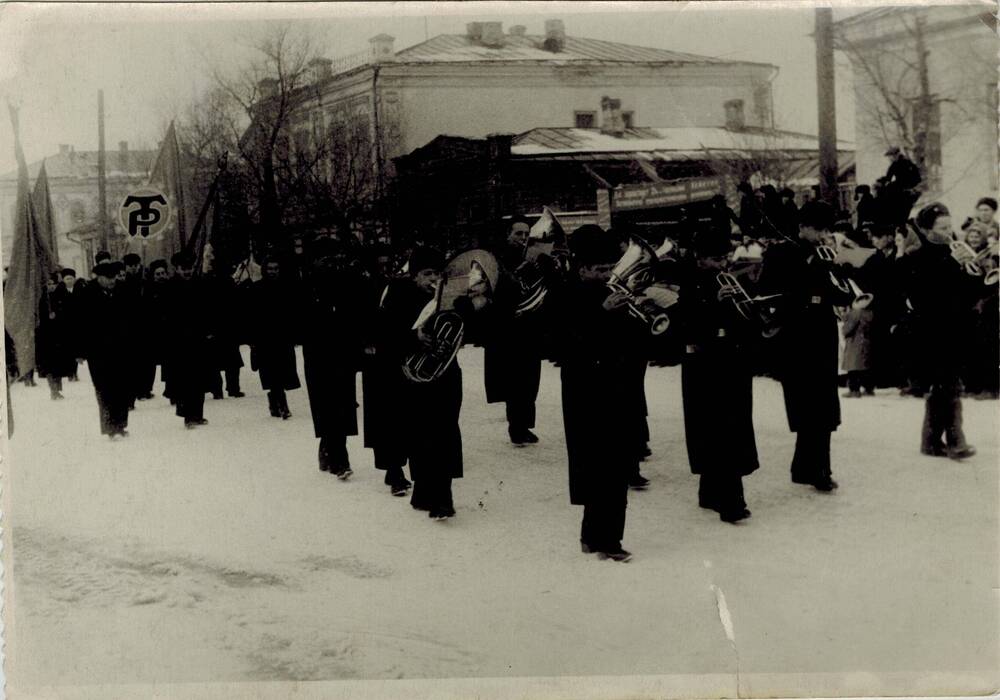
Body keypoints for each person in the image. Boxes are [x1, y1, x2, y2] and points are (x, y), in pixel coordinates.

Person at [554, 225, 641, 561]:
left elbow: (631, 341)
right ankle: (597, 536)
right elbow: (563, 343)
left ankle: (605, 538)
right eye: (600, 269)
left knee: (616, 464)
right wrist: (601, 313)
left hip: (616, 388)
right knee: (595, 464)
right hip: (584, 391)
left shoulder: (614, 292)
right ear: (583, 269)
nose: (607, 275)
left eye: (609, 268)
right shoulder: (565, 294)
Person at [757, 200, 853, 492]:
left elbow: (841, 295)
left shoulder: (827, 254)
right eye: (817, 229)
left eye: (826, 229)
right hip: (796, 336)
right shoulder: (781, 252)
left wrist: (841, 271)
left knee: (823, 405)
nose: (823, 235)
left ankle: (812, 468)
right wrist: (812, 267)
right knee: (807, 406)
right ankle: (812, 468)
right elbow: (769, 292)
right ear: (801, 227)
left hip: (822, 333)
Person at [679, 229, 759, 523]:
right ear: (699, 259)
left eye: (724, 258)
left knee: (728, 429)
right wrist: (714, 302)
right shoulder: (688, 283)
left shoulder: (728, 280)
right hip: (705, 366)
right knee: (718, 431)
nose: (722, 265)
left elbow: (743, 319)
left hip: (731, 362)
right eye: (715, 259)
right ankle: (730, 501)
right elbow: (686, 324)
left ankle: (710, 492)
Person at [384, 246, 465, 520]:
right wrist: (413, 337)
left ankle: (443, 496)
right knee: (420, 435)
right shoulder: (398, 296)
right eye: (427, 273)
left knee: (445, 433)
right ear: (415, 276)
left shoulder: (451, 298)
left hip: (446, 376)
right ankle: (424, 492)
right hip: (413, 379)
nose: (433, 279)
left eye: (437, 273)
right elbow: (384, 334)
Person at [896, 203, 977, 458]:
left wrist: (979, 277)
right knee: (949, 385)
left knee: (944, 386)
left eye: (950, 226)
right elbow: (923, 295)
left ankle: (930, 441)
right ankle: (955, 441)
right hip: (931, 331)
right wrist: (952, 265)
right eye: (942, 227)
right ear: (928, 229)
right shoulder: (917, 256)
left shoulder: (954, 251)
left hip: (956, 328)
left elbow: (965, 293)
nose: (949, 231)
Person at [301, 237, 367, 481]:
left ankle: (336, 452)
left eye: (334, 257)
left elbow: (359, 313)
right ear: (315, 260)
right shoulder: (305, 284)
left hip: (343, 352)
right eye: (324, 258)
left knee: (343, 405)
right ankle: (334, 451)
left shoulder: (349, 281)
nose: (330, 263)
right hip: (318, 353)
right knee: (325, 404)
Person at [484, 216, 545, 446]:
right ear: (508, 235)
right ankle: (516, 426)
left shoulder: (531, 257)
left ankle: (525, 424)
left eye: (526, 234)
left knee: (530, 380)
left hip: (529, 327)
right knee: (514, 381)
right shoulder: (497, 259)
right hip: (507, 328)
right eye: (518, 234)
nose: (523, 238)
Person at [363, 245, 413, 496]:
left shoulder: (403, 286)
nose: (387, 268)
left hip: (401, 355)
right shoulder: (364, 286)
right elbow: (358, 319)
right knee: (385, 417)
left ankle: (399, 465)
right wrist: (366, 343)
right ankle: (393, 470)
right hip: (378, 360)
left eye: (390, 263)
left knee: (402, 415)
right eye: (381, 264)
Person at [165, 251, 215, 429]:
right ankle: (188, 417)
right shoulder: (169, 288)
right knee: (184, 381)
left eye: (189, 268)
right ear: (176, 269)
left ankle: (198, 414)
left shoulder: (199, 285)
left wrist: (209, 330)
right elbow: (166, 317)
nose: (187, 272)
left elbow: (207, 310)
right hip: (179, 343)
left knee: (199, 379)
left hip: (198, 340)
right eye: (183, 269)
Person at [81, 262, 131, 438]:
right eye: (109, 278)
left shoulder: (123, 291)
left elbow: (131, 318)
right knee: (104, 388)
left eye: (114, 277)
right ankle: (110, 427)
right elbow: (80, 325)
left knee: (122, 386)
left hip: (121, 348)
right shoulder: (87, 294)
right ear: (99, 278)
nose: (112, 281)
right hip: (98, 352)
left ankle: (121, 424)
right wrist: (80, 350)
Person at [247, 256, 301, 420]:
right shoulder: (256, 289)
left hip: (283, 337)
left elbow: (293, 312)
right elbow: (250, 316)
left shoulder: (287, 288)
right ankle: (281, 404)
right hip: (264, 339)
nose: (273, 272)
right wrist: (252, 339)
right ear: (264, 270)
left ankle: (275, 400)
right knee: (272, 372)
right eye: (270, 269)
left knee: (283, 371)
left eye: (276, 268)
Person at [36, 272, 77, 400]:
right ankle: (53, 390)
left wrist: (58, 315)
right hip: (45, 337)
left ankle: (57, 389)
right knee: (48, 365)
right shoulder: (41, 298)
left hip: (58, 336)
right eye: (48, 284)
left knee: (58, 364)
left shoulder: (61, 295)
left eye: (53, 283)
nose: (51, 286)